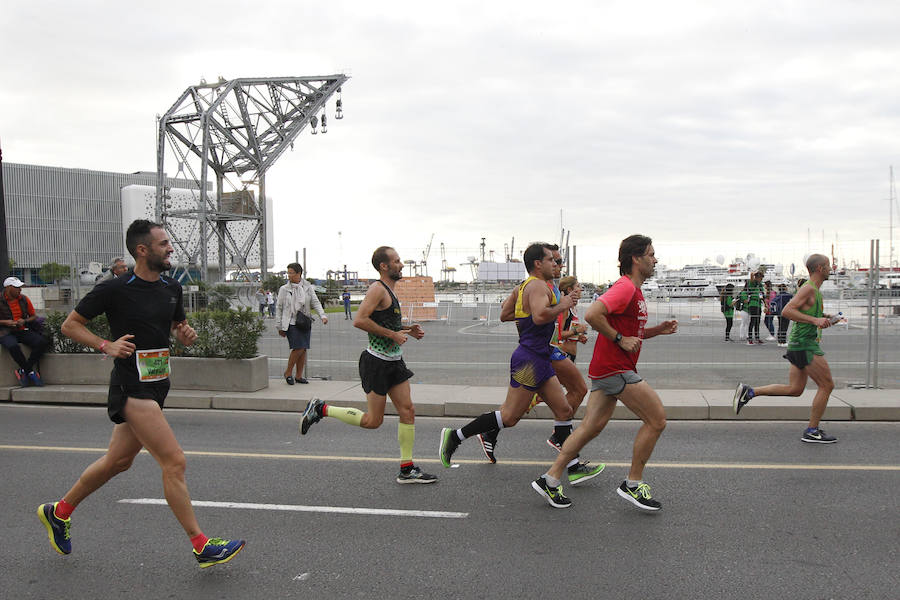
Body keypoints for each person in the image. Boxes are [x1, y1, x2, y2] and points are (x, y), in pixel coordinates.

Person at [36, 219, 244, 567]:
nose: (171, 248)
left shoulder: (170, 289)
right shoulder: (115, 288)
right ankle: (201, 544)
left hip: (157, 384)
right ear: (142, 250)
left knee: (118, 461)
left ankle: (59, 511)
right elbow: (69, 325)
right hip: (131, 387)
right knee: (174, 462)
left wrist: (184, 334)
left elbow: (177, 326)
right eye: (164, 244)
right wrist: (106, 345)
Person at [531, 235, 677, 510]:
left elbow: (632, 332)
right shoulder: (625, 288)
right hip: (616, 368)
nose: (655, 259)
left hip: (608, 368)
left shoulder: (634, 290)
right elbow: (593, 315)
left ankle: (549, 478)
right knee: (657, 419)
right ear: (636, 259)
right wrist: (620, 339)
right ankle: (632, 484)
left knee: (589, 427)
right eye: (651, 254)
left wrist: (657, 330)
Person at [438, 243, 578, 488]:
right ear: (538, 263)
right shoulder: (535, 285)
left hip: (541, 357)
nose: (554, 264)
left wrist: (531, 316)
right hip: (529, 360)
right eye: (550, 260)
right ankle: (455, 436)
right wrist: (563, 305)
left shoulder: (525, 287)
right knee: (510, 416)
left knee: (564, 411)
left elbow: (507, 314)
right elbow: (539, 316)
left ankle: (570, 469)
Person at [299, 246, 436, 484]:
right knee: (373, 421)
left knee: (408, 411)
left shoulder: (390, 291)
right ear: (384, 266)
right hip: (377, 363)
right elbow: (360, 320)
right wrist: (394, 335)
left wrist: (407, 330)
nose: (401, 264)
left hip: (394, 361)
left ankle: (407, 469)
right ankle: (320, 409)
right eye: (397, 261)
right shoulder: (377, 289)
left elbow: (385, 322)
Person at [477, 252, 601, 485]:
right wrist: (535, 314)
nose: (558, 265)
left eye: (559, 262)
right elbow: (510, 315)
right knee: (572, 393)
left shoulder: (549, 289)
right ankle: (560, 439)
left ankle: (495, 430)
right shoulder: (539, 289)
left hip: (546, 351)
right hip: (544, 352)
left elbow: (545, 319)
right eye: (555, 261)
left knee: (530, 405)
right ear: (541, 264)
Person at [733, 254, 838, 443]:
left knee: (795, 389)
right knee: (827, 385)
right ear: (820, 268)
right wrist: (815, 320)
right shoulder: (809, 289)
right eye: (828, 266)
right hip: (805, 345)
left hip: (800, 343)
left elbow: (803, 311)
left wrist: (823, 316)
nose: (831, 269)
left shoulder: (813, 290)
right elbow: (787, 311)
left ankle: (749, 392)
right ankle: (812, 430)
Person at [276, 263, 327, 384]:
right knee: (298, 347)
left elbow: (315, 302)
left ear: (299, 273)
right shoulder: (284, 289)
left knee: (303, 349)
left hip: (304, 321)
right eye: (288, 272)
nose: (289, 275)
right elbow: (279, 307)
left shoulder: (308, 287)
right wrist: (279, 326)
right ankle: (288, 372)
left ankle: (299, 375)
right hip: (291, 322)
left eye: (291, 272)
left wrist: (323, 316)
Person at [1, 276, 48, 387]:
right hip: (4, 331)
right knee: (13, 346)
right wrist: (5, 322)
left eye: (20, 287)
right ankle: (30, 372)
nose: (20, 290)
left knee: (41, 342)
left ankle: (24, 370)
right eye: (17, 287)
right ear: (8, 288)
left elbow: (33, 316)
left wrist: (24, 321)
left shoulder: (24, 299)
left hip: (20, 329)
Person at [745, 272, 765, 345]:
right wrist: (754, 273)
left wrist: (765, 305)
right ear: (757, 277)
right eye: (760, 278)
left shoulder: (760, 286)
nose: (761, 279)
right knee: (752, 321)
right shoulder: (753, 283)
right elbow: (751, 277)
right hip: (753, 304)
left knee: (757, 322)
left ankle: (757, 337)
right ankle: (750, 338)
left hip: (759, 304)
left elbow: (762, 296)